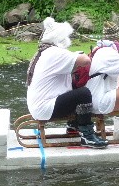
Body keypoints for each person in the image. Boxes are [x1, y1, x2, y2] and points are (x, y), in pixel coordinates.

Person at [26, 17, 108, 149]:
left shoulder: (43, 52)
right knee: (84, 93)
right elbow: (86, 61)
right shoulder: (55, 53)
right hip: (45, 107)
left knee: (74, 86)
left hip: (38, 105)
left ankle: (73, 125)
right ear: (60, 39)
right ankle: (87, 135)